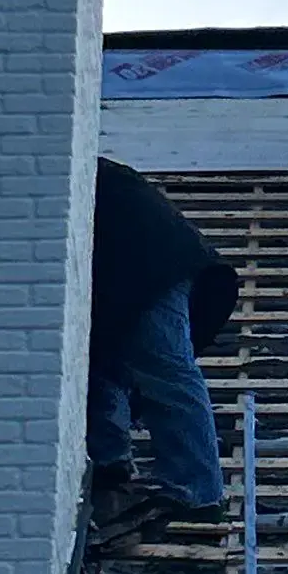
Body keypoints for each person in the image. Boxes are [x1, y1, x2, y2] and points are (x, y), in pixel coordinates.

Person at [86, 157, 239, 528]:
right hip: (143, 270)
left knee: (165, 372)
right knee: (107, 365)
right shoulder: (90, 172)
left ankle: (198, 489)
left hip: (150, 272)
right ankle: (110, 462)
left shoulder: (69, 174)